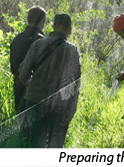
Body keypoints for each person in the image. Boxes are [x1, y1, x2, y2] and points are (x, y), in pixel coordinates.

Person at [19, 13, 81, 148]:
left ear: (54, 26)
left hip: (35, 101)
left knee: (36, 144)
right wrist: (70, 111)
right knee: (55, 145)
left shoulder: (37, 45)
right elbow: (75, 86)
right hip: (60, 106)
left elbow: (23, 73)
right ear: (69, 29)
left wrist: (29, 85)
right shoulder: (73, 50)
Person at [10, 6, 47, 114]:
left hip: (19, 87)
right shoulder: (45, 43)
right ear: (42, 21)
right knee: (36, 126)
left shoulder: (16, 40)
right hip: (38, 91)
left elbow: (13, 68)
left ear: (28, 19)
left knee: (22, 125)